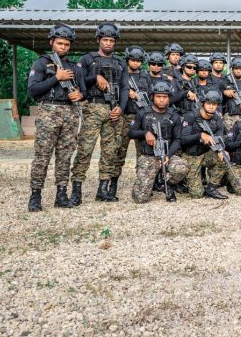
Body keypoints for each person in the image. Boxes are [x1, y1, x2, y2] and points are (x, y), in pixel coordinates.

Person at [26, 24, 86, 212]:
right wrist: (56, 78)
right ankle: (35, 195)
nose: (63, 47)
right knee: (42, 156)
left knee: (65, 156)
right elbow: (33, 90)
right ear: (52, 42)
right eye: (60, 43)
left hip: (70, 113)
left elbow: (83, 90)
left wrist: (80, 95)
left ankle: (61, 194)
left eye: (67, 44)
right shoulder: (41, 63)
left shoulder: (74, 67)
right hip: (49, 112)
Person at [70, 22, 129, 204]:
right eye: (105, 39)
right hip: (93, 108)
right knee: (85, 149)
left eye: (112, 40)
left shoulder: (120, 63)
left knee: (110, 151)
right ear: (98, 40)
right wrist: (94, 77)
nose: (109, 43)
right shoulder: (87, 59)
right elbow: (78, 83)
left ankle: (103, 190)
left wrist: (121, 107)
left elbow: (125, 88)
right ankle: (77, 190)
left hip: (113, 110)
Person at [128, 80, 189, 203]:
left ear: (169, 98)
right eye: (158, 97)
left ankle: (167, 183)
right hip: (149, 156)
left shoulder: (174, 116)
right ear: (152, 97)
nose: (162, 100)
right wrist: (145, 133)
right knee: (139, 199)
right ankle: (151, 182)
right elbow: (130, 133)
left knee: (182, 167)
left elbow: (177, 140)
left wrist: (168, 155)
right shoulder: (143, 113)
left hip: (166, 155)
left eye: (165, 97)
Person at [178, 89, 233, 200]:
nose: (211, 107)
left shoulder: (217, 119)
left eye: (214, 104)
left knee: (224, 156)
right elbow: (183, 140)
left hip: (205, 153)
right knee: (197, 194)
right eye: (209, 103)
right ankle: (179, 182)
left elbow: (219, 138)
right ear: (203, 103)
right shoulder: (191, 116)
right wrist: (200, 136)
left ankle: (211, 188)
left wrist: (222, 150)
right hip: (190, 156)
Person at [113, 46, 150, 195]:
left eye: (138, 61)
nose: (136, 63)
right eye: (133, 60)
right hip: (125, 117)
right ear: (127, 59)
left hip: (141, 117)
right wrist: (126, 93)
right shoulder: (120, 75)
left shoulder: (145, 76)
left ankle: (142, 185)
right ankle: (112, 185)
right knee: (119, 151)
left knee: (143, 153)